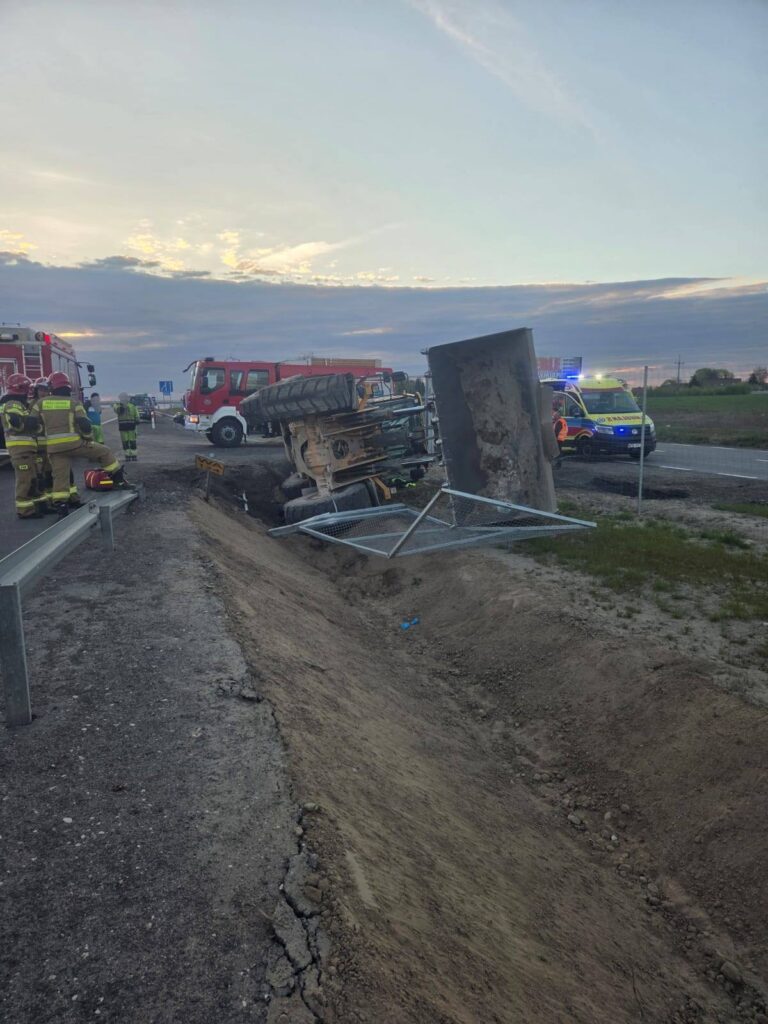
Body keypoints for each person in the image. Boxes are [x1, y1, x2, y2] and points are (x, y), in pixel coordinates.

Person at [37, 371, 125, 516]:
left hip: (54, 449)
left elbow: (33, 424)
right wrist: (88, 439)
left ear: (52, 386)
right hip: (75, 445)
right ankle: (118, 478)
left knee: (60, 477)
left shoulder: (41, 403)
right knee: (105, 451)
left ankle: (61, 506)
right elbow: (84, 424)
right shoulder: (74, 403)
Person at [0, 373, 45, 518]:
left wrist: (34, 425)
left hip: (27, 448)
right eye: (27, 388)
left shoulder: (19, 404)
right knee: (24, 480)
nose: (29, 391)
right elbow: (16, 423)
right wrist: (29, 423)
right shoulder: (13, 404)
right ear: (21, 389)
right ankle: (24, 511)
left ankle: (38, 507)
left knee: (33, 478)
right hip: (20, 449)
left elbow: (34, 428)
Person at [114, 392, 140, 461]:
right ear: (120, 398)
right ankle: (127, 456)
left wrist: (137, 419)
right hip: (123, 427)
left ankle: (134, 455)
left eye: (125, 397)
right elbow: (118, 410)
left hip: (131, 427)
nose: (124, 399)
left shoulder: (132, 405)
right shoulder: (117, 405)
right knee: (125, 442)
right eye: (122, 397)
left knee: (132, 442)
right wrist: (122, 405)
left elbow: (136, 413)